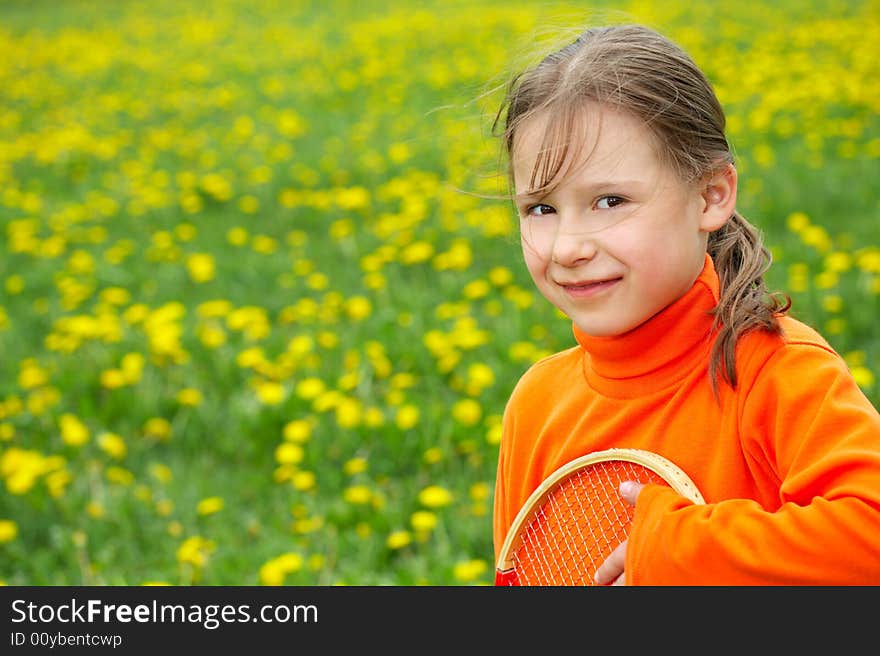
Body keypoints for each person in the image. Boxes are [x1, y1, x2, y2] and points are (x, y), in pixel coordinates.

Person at [490, 23, 880, 585]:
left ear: (711, 195)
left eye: (609, 200)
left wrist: (675, 551)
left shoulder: (777, 372)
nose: (568, 247)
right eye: (540, 208)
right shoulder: (538, 405)